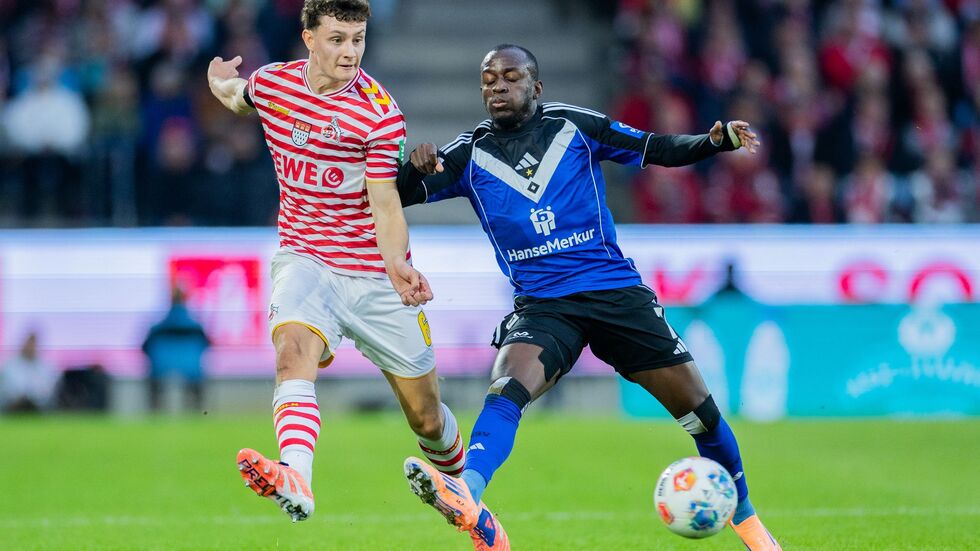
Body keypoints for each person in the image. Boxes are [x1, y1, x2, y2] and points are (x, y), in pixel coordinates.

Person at [397, 45, 780, 551]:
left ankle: (751, 527)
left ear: (536, 87)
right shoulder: (467, 155)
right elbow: (397, 194)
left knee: (700, 413)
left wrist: (713, 141)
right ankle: (466, 493)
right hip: (544, 306)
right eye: (488, 79)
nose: (497, 87)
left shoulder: (574, 126)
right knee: (506, 388)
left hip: (615, 293)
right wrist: (414, 167)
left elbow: (655, 147)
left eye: (510, 77)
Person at [205, 0, 469, 528]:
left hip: (373, 273)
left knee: (426, 418)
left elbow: (385, 202)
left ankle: (467, 496)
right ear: (309, 38)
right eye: (337, 39)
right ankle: (295, 477)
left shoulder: (378, 113)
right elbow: (238, 96)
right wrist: (217, 78)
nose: (350, 52)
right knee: (292, 351)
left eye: (358, 39)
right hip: (306, 258)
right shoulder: (275, 84)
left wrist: (397, 266)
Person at [141, 285, 211, 412]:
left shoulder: (157, 328)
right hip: (192, 367)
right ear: (186, 299)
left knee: (155, 390)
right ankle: (196, 413)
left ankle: (155, 413)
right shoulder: (196, 327)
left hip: (160, 366)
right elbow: (207, 345)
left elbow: (145, 347)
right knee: (196, 389)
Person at [0, 331, 59, 413]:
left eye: (33, 345)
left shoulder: (45, 366)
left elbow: (47, 390)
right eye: (29, 344)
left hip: (38, 405)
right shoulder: (9, 365)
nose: (30, 347)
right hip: (12, 405)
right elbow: (7, 389)